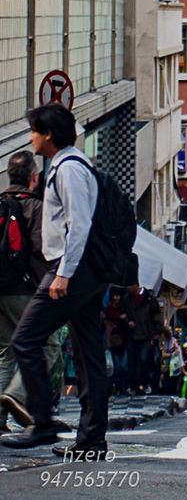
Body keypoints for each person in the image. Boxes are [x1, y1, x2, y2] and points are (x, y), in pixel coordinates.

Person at [3, 105, 108, 458]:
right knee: (87, 353)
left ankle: (43, 424)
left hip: (71, 271)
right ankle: (91, 439)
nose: (30, 137)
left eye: (34, 131)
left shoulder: (68, 169)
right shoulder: (68, 165)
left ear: (48, 135)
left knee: (26, 339)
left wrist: (63, 273)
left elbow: (79, 224)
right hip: (82, 270)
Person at [0, 149, 63, 434]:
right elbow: (42, 251)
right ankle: (17, 394)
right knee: (46, 345)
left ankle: (0, 421)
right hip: (24, 290)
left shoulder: (1, 203)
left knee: (5, 352)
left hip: (0, 289)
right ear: (34, 177)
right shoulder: (35, 207)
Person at [120, 285, 164, 395]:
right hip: (132, 334)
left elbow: (157, 315)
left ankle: (145, 383)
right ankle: (134, 385)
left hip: (146, 334)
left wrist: (158, 330)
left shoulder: (149, 298)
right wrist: (127, 321)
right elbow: (122, 314)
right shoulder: (126, 299)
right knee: (131, 362)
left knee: (144, 359)